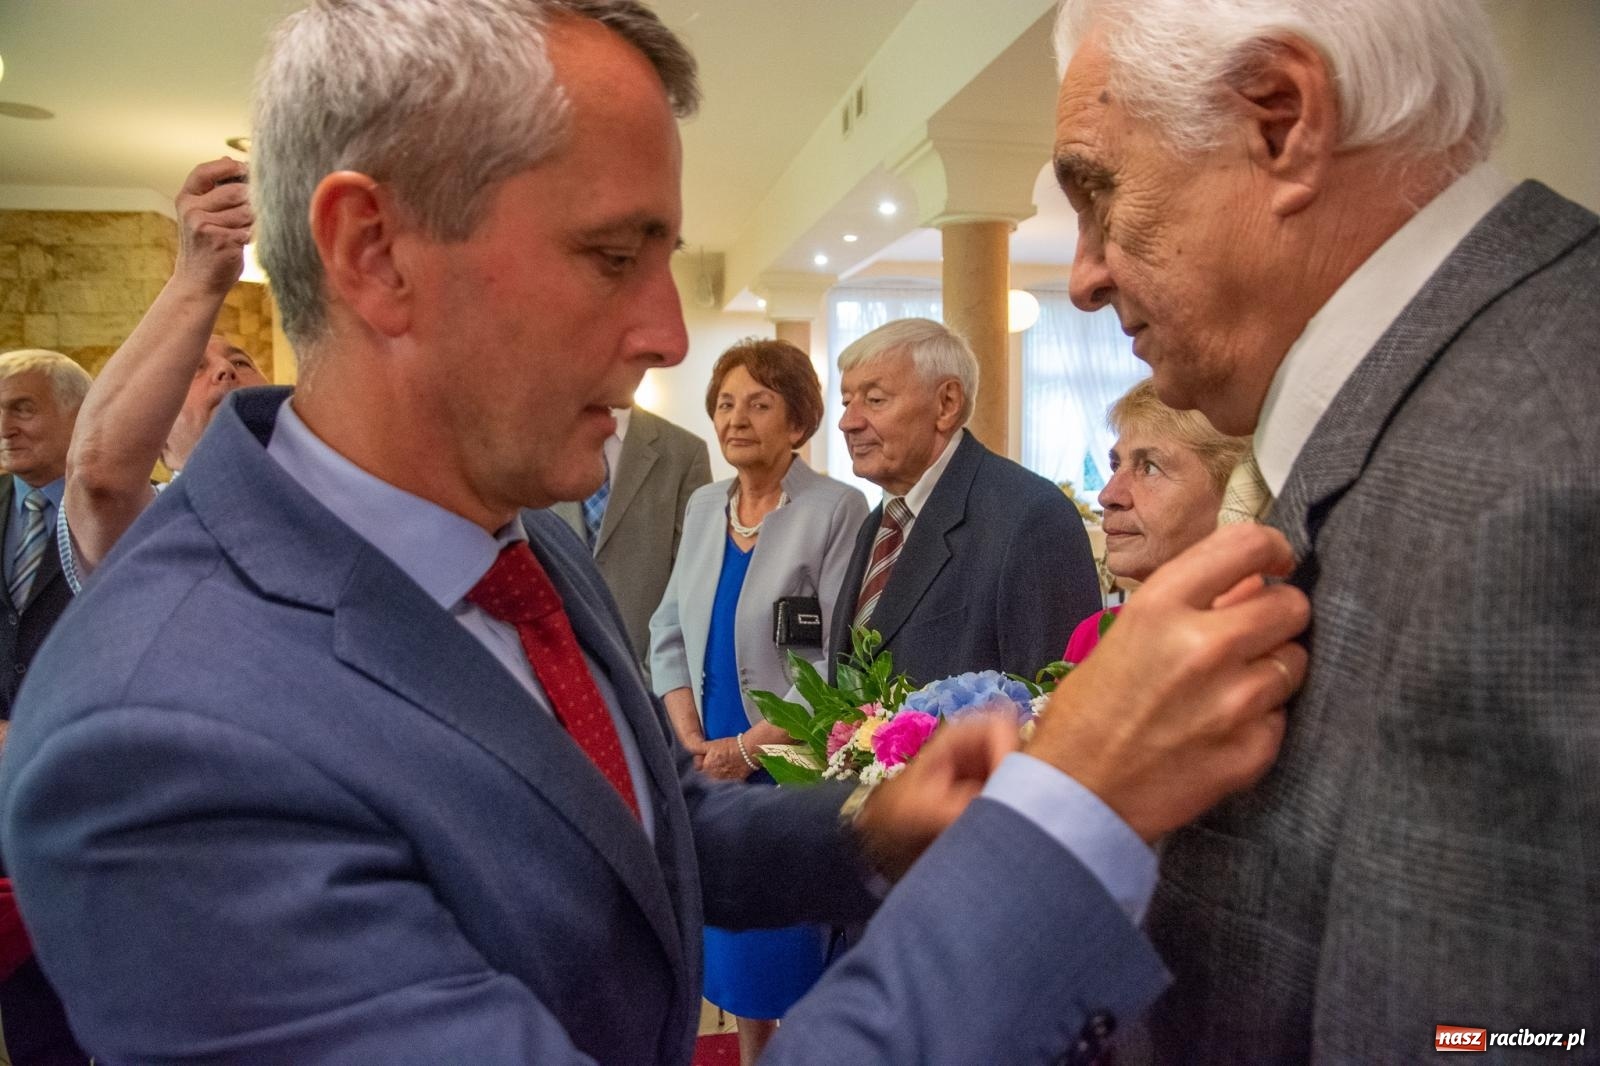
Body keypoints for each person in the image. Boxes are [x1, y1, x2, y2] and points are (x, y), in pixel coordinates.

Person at [0, 2, 1311, 1063]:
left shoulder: (515, 532)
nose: (671, 338)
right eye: (611, 256)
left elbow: (632, 817)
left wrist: (867, 828)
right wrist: (1073, 812)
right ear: (376, 251)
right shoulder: (157, 740)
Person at [1054, 0, 1600, 1059]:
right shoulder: (1420, 410)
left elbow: (1495, 1038)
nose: (1083, 275)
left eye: (1100, 195)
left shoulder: (1542, 477)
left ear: (1280, 121)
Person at [649, 338, 867, 1064]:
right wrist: (692, 746)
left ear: (799, 421)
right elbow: (668, 630)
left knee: (792, 948)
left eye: (759, 403)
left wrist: (748, 750)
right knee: (732, 947)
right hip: (706, 756)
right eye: (724, 403)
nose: (735, 418)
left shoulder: (837, 508)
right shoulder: (706, 503)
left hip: (789, 759)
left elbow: (834, 663)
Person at [831, 317, 1101, 687]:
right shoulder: (880, 523)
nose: (848, 422)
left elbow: (1054, 698)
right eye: (846, 402)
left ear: (946, 404)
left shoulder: (1031, 516)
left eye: (875, 400)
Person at [58, 156, 268, 593]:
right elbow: (99, 477)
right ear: (162, 446)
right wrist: (198, 279)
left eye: (242, 361)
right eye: (196, 371)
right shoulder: (156, 525)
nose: (226, 370)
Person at [0, 349, 91, 1065]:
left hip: (84, 791)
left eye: (21, 407)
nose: (4, 425)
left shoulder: (131, 512)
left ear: (76, 413)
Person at [1064, 379, 1247, 663]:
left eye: (1149, 467)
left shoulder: (1262, 646)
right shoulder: (1093, 637)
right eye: (1116, 465)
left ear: (1234, 492)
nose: (1108, 495)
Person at [548, 404, 711, 673]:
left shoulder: (684, 453)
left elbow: (693, 582)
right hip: (550, 671)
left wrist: (659, 676)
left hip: (645, 678)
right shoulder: (539, 441)